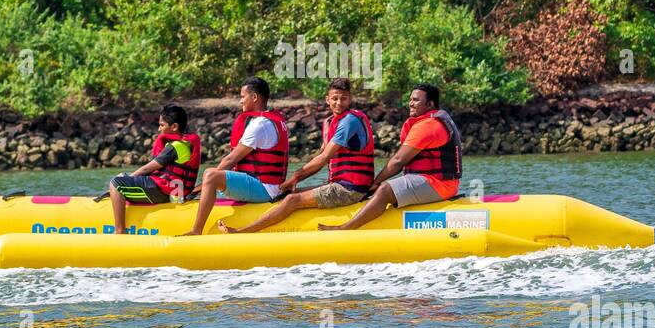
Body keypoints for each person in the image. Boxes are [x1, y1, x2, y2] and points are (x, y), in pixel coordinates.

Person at [218, 78, 374, 234]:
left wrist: (295, 177)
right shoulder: (333, 122)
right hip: (340, 185)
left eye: (343, 98)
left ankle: (242, 231)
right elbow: (320, 156)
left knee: (293, 200)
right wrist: (293, 181)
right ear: (327, 99)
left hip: (351, 189)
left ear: (350, 99)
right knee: (290, 193)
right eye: (334, 98)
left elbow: (324, 158)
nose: (338, 102)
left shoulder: (349, 121)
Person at [318, 83, 461, 231]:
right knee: (389, 187)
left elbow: (398, 161)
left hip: (439, 184)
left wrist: (375, 183)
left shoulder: (428, 125)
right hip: (442, 182)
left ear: (430, 104)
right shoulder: (434, 120)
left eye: (416, 100)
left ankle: (346, 228)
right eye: (411, 99)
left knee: (385, 189)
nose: (411, 103)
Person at [180, 76, 289, 235]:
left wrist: (201, 187)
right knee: (214, 177)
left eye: (242, 96)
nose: (240, 101)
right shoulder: (275, 119)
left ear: (254, 97)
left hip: (265, 190)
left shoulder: (259, 124)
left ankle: (195, 231)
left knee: (210, 175)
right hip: (272, 187)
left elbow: (231, 160)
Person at [108, 104, 201, 234]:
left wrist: (126, 178)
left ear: (174, 127)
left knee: (116, 182)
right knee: (122, 175)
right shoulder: (184, 144)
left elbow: (147, 169)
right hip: (175, 192)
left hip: (164, 192)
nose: (159, 129)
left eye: (162, 125)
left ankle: (119, 231)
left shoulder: (176, 146)